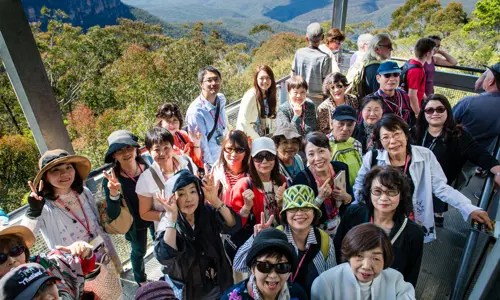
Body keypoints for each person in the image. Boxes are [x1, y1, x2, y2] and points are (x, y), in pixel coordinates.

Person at [353, 114, 493, 242]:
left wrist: (469, 208)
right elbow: (359, 187)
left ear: (406, 135)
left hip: (410, 220)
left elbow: (441, 188)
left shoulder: (425, 156)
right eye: (386, 137)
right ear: (380, 141)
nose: (392, 141)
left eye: (397, 134)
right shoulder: (371, 158)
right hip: (379, 218)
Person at [21, 149, 122, 299]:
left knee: (115, 292)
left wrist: (114, 195)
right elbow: (24, 239)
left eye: (68, 167)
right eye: (56, 170)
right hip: (77, 269)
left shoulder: (83, 192)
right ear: (46, 177)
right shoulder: (44, 206)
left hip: (102, 255)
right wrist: (33, 211)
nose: (64, 173)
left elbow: (97, 221)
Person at [233, 185, 336, 297]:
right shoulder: (275, 237)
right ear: (285, 214)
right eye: (292, 209)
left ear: (314, 212)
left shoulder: (325, 241)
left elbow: (330, 280)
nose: (299, 213)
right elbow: (239, 265)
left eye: (306, 208)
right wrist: (256, 238)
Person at [154, 169, 241, 299]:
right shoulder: (168, 222)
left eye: (193, 191)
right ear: (172, 197)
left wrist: (215, 201)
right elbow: (165, 256)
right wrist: (172, 217)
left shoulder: (206, 211)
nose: (189, 198)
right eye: (181, 194)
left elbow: (233, 224)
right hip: (189, 291)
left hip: (218, 283)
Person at [414, 94, 500, 227]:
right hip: (414, 183)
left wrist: (498, 171)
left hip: (439, 185)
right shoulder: (416, 132)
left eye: (440, 109)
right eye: (430, 110)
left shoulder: (459, 136)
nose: (435, 113)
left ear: (448, 111)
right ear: (424, 113)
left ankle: (437, 215)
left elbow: (480, 154)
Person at [335, 166, 424, 287]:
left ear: (401, 195)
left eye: (391, 191)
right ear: (369, 192)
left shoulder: (413, 233)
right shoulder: (353, 215)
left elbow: (410, 276)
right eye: (377, 191)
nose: (383, 198)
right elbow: (338, 250)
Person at [101, 130, 153, 286]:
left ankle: (169, 269)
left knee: (163, 242)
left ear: (136, 148)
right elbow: (113, 213)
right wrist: (114, 193)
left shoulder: (148, 164)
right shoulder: (112, 180)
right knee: (139, 251)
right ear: (114, 156)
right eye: (120, 151)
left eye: (129, 148)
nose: (126, 153)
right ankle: (141, 280)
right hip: (135, 223)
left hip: (156, 214)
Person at [311, 223, 416, 300]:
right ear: (349, 255)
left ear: (385, 259)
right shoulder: (325, 283)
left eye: (375, 259)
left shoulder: (396, 281)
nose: (366, 266)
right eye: (359, 256)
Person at [0, 224, 95, 299]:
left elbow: (84, 267)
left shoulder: (46, 262)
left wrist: (84, 252)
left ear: (24, 249)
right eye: (0, 258)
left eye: (15, 250)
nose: (11, 260)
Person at [292, 132, 353, 237]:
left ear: (330, 150)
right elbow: (300, 216)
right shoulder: (301, 179)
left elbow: (350, 198)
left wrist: (345, 196)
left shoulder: (341, 168)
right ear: (306, 157)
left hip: (342, 226)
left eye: (321, 151)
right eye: (311, 154)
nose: (317, 158)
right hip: (316, 233)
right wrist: (320, 198)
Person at [136, 127, 198, 229]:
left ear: (172, 147)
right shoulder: (146, 179)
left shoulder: (186, 163)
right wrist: (167, 215)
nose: (162, 153)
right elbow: (144, 213)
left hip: (198, 222)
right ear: (149, 151)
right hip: (172, 230)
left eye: (166, 148)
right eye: (157, 149)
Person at [221, 228, 308, 300]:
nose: (273, 275)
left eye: (282, 266)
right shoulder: (230, 298)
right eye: (265, 266)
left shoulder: (298, 294)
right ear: (253, 268)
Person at [453, 62, 500, 187]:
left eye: (486, 76)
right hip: (476, 161)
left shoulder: (468, 103)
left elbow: (447, 124)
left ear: (491, 81)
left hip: (455, 155)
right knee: (459, 186)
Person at [230, 137, 287, 228]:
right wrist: (246, 208)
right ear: (252, 160)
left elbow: (291, 216)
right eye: (259, 157)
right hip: (257, 238)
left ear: (275, 158)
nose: (264, 161)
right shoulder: (243, 186)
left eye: (269, 156)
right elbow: (233, 223)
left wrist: (282, 204)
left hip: (280, 235)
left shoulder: (282, 181)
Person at [185, 65, 229, 165]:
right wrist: (212, 169)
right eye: (209, 80)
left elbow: (224, 128)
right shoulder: (196, 112)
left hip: (227, 155)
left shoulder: (221, 99)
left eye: (216, 79)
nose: (213, 83)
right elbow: (202, 146)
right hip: (214, 163)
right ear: (201, 84)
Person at [291, 22, 332, 105]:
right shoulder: (325, 58)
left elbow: (293, 75)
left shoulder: (299, 53)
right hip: (317, 101)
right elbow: (327, 83)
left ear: (307, 38)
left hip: (298, 98)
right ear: (322, 37)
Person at [156, 103, 203, 169]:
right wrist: (184, 157)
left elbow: (195, 159)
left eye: (175, 120)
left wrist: (196, 143)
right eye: (168, 121)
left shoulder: (182, 135)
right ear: (161, 123)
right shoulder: (158, 142)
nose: (172, 124)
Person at [236, 65, 277, 139]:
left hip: (263, 136)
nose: (265, 81)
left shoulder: (268, 94)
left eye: (268, 78)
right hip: (251, 138)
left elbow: (267, 118)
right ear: (256, 79)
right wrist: (257, 139)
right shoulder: (250, 96)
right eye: (261, 78)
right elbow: (242, 122)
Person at [347, 33, 393, 98]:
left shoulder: (366, 63)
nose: (391, 49)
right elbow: (379, 98)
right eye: (389, 46)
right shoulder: (377, 69)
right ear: (377, 49)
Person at [212, 130, 251, 206]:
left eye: (239, 150)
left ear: (245, 152)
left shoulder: (252, 173)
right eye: (229, 149)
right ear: (223, 150)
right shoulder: (216, 172)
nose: (233, 154)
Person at [327, 105, 363, 186]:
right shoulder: (322, 144)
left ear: (354, 126)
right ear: (332, 123)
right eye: (341, 124)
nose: (345, 128)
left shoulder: (356, 144)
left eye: (349, 125)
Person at [404, 38, 436, 116]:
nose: (433, 53)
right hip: (411, 110)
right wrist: (418, 113)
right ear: (428, 54)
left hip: (409, 106)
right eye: (432, 51)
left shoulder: (411, 62)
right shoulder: (417, 70)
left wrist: (425, 97)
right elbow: (412, 95)